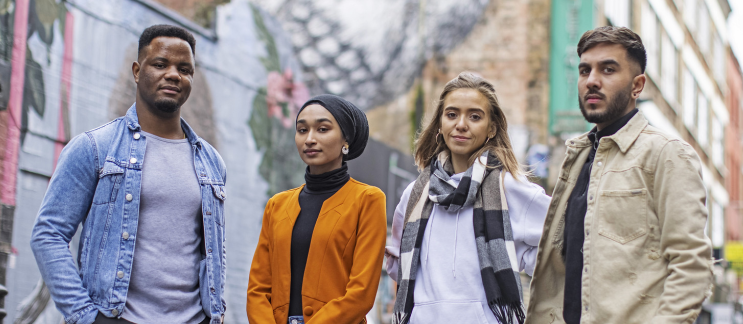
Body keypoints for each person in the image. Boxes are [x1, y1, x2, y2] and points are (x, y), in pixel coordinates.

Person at [30, 25, 227, 324]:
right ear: (137, 71)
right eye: (160, 64)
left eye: (184, 69)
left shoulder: (212, 162)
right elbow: (49, 234)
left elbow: (213, 248)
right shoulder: (95, 148)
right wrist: (87, 316)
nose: (174, 74)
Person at [525, 26, 714, 324]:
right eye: (585, 71)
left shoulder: (666, 154)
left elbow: (692, 264)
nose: (592, 81)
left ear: (637, 86)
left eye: (608, 70)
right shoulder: (577, 158)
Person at [385, 72, 551, 324]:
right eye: (452, 114)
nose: (461, 124)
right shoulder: (416, 194)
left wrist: (519, 256)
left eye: (475, 116)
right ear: (440, 123)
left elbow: (560, 240)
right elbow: (399, 266)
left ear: (491, 127)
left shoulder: (510, 188)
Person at [247, 94, 387, 324]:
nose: (309, 139)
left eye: (323, 129)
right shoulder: (277, 205)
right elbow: (258, 289)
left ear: (346, 141)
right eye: (302, 130)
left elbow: (361, 293)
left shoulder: (368, 200)